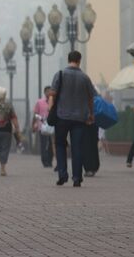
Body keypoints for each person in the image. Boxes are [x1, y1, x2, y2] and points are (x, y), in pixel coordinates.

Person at [50, 50, 97, 187]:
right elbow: (90, 98)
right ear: (79, 60)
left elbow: (52, 92)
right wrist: (91, 114)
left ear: (68, 59)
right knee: (77, 147)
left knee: (60, 145)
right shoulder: (85, 77)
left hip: (62, 116)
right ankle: (77, 177)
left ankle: (62, 174)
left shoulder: (60, 74)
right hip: (79, 118)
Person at [0, 87, 20, 176]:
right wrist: (17, 129)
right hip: (6, 130)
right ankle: (2, 170)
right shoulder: (9, 105)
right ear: (5, 95)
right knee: (5, 148)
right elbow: (14, 117)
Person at [32, 86, 53, 168]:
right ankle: (45, 161)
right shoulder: (39, 102)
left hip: (52, 126)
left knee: (51, 144)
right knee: (44, 144)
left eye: (50, 91)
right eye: (47, 91)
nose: (49, 93)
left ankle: (50, 160)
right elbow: (35, 114)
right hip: (42, 126)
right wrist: (33, 125)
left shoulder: (54, 101)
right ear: (44, 92)